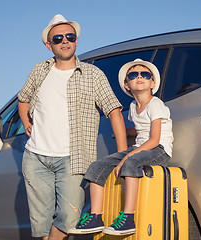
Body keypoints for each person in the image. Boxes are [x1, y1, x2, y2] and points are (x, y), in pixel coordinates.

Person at [18, 14, 127, 240]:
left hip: (73, 159)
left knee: (69, 217)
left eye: (70, 36)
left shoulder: (93, 75)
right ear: (49, 45)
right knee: (41, 223)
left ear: (77, 41)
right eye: (58, 38)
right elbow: (23, 98)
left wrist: (123, 153)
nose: (65, 41)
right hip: (36, 157)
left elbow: (114, 112)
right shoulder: (40, 70)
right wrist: (26, 122)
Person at [68, 59, 173, 236]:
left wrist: (125, 157)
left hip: (160, 149)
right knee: (97, 166)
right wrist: (124, 133)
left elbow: (154, 139)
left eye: (145, 75)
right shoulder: (133, 106)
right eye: (133, 75)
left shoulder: (156, 104)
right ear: (127, 84)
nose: (139, 77)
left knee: (130, 163)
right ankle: (95, 217)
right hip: (141, 147)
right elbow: (142, 129)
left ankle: (128, 218)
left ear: (152, 83)